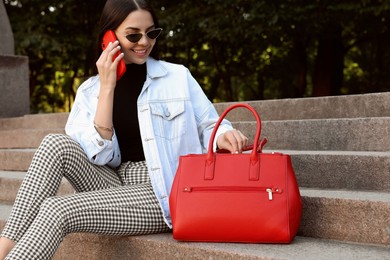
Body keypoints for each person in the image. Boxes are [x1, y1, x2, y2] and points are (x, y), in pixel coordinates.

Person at [0, 0, 248, 258]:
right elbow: (100, 156)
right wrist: (107, 87)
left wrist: (223, 134)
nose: (144, 42)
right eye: (133, 35)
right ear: (109, 37)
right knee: (54, 143)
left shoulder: (177, 77)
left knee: (56, 209)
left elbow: (209, 123)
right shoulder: (89, 91)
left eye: (151, 33)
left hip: (164, 190)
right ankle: (3, 248)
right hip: (114, 183)